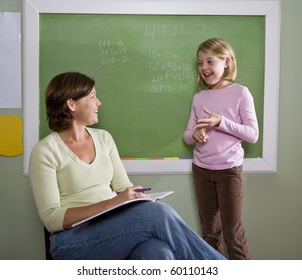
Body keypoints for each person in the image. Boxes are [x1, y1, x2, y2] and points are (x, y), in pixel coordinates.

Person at [29, 71, 225, 260]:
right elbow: (52, 218)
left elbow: (123, 186)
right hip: (73, 242)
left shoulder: (104, 138)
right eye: (92, 97)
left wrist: (134, 196)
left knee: (159, 253)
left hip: (116, 228)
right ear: (71, 104)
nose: (99, 103)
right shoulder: (45, 151)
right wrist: (114, 202)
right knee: (160, 213)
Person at [183, 37, 259, 260]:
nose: (204, 68)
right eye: (200, 63)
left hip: (229, 171)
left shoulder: (241, 93)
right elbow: (187, 136)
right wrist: (195, 134)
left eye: (209, 61)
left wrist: (221, 122)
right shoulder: (199, 97)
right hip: (201, 170)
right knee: (209, 232)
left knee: (232, 234)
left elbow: (252, 135)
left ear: (226, 62)